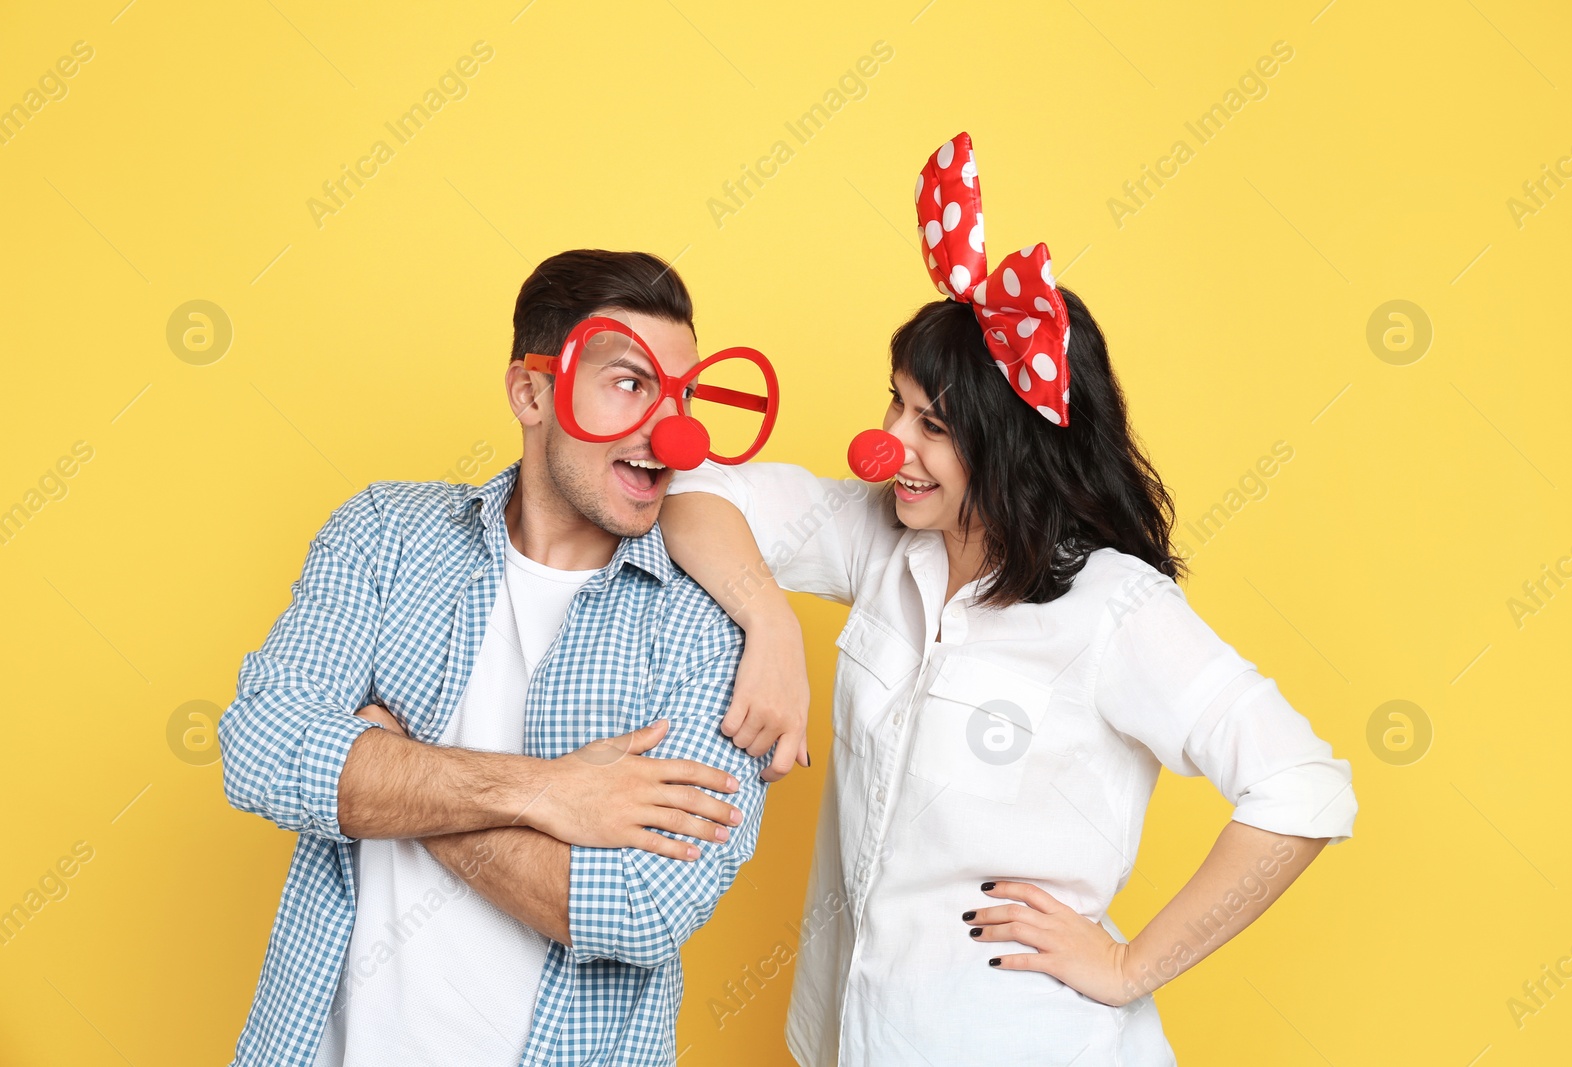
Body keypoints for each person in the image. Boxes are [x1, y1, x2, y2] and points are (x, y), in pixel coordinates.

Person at [658, 133, 1358, 1065]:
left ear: (1013, 448)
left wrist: (1129, 965)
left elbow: (1302, 786)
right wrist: (772, 622)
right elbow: (691, 492)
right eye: (895, 404)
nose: (887, 443)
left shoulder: (1113, 608)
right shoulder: (881, 535)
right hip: (850, 1041)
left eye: (933, 425)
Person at [218, 249, 778, 1067]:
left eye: (685, 395)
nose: (672, 431)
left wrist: (394, 772)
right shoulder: (387, 534)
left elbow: (641, 907)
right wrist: (551, 791)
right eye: (630, 382)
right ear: (531, 392)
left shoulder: (708, 627)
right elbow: (260, 751)